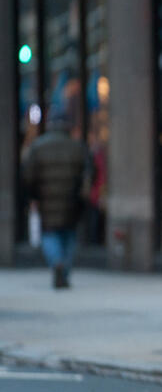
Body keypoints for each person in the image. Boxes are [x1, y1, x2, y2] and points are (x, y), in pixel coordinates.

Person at [22, 109, 90, 289]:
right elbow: (88, 172)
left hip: (46, 199)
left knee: (50, 234)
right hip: (71, 199)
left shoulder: (38, 147)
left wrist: (33, 196)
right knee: (69, 235)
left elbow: (28, 175)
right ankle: (64, 269)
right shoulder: (77, 146)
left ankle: (57, 262)